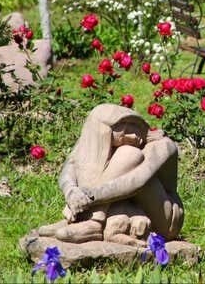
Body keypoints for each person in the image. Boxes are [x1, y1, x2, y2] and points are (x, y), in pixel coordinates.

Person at [37, 104, 183, 245]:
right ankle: (79, 219)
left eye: (135, 127)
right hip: (125, 204)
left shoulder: (162, 145)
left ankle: (93, 222)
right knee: (104, 158)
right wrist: (71, 193)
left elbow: (137, 181)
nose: (133, 136)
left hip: (165, 218)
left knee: (130, 154)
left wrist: (87, 197)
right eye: (124, 132)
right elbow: (69, 169)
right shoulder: (95, 142)